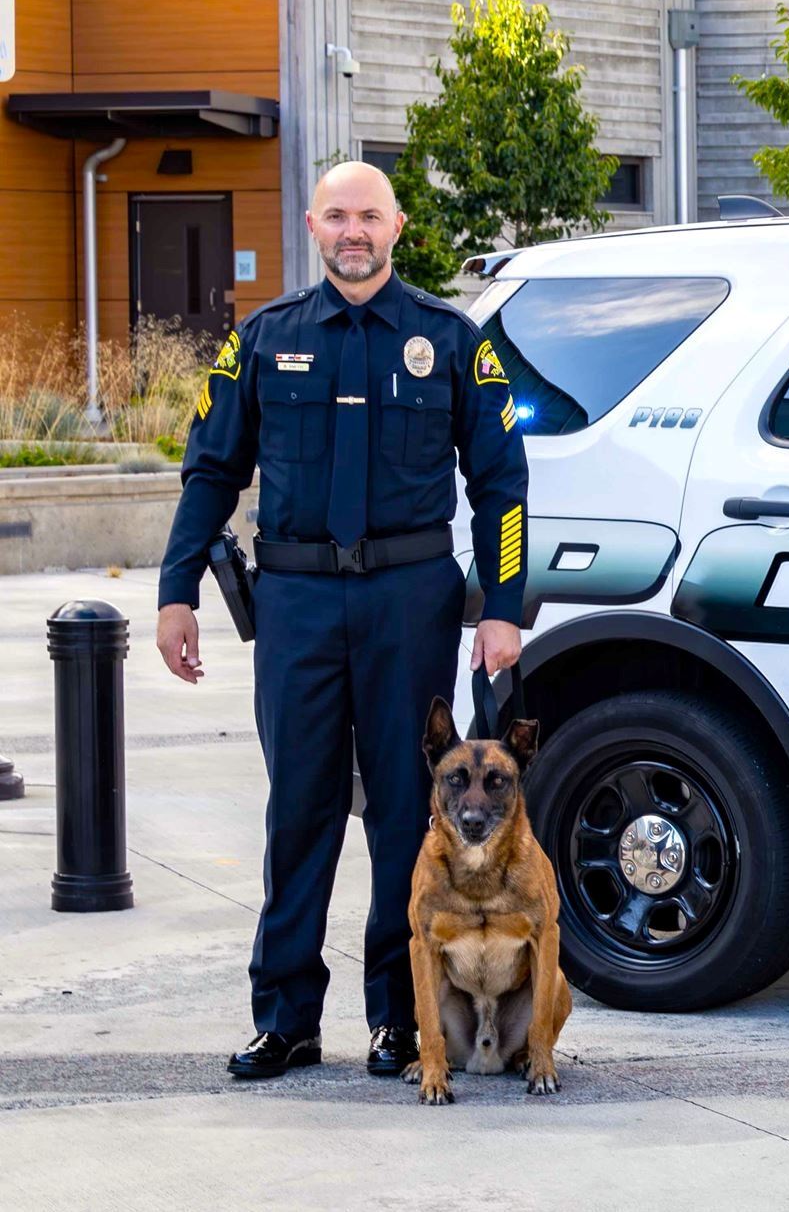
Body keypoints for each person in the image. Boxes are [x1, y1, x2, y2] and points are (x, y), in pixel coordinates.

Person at [154, 162, 529, 1080]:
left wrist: (505, 607)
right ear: (312, 227)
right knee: (301, 812)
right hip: (298, 604)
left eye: (368, 215)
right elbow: (210, 471)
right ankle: (285, 1019)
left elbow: (501, 483)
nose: (352, 231)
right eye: (335, 216)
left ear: (397, 225)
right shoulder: (263, 340)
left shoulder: (449, 339)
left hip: (409, 600)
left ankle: (402, 1021)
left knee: (407, 815)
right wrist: (175, 592)